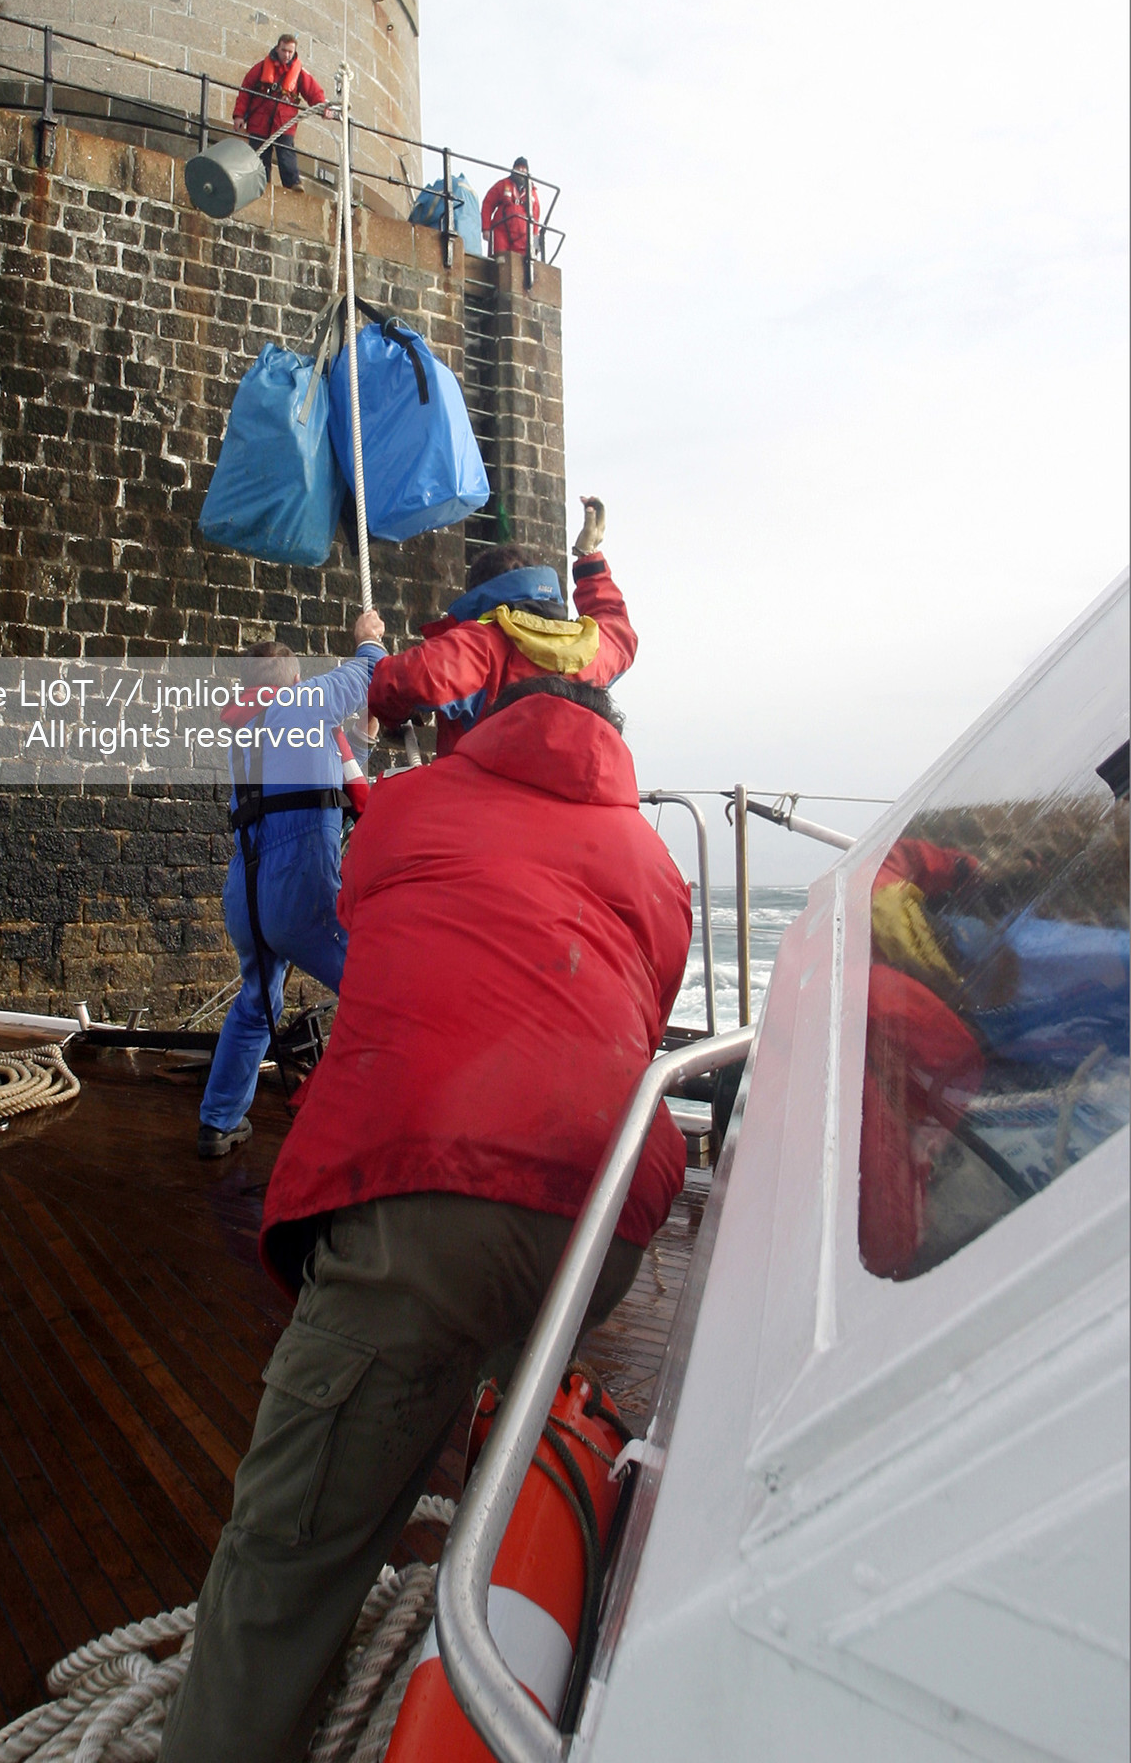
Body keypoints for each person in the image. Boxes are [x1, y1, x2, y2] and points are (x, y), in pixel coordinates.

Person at [159, 671, 693, 1763]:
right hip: (606, 1222)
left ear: (486, 729)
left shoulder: (412, 803)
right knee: (492, 1385)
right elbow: (647, 992)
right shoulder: (656, 862)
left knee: (290, 1549)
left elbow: (351, 909)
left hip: (425, 1184)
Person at [197, 611, 386, 1160]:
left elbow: (316, 774)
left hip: (246, 891)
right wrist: (367, 640)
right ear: (295, 683)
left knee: (256, 1003)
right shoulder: (300, 705)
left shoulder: (246, 733)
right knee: (374, 992)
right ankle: (364, 1126)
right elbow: (368, 673)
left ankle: (218, 1122)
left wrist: (360, 740)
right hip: (298, 888)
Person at [367, 496, 635, 756]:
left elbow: (400, 680)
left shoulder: (480, 644)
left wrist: (370, 647)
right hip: (571, 798)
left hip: (486, 797)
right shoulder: (587, 648)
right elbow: (618, 631)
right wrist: (588, 554)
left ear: (478, 594)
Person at [233, 33, 328, 192]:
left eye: (290, 51)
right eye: (284, 50)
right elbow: (246, 90)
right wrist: (239, 115)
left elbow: (313, 92)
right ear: (278, 48)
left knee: (286, 155)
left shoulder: (299, 73)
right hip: (260, 121)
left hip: (284, 121)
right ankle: (262, 185)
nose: (287, 55)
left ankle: (293, 185)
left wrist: (323, 108)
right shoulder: (262, 67)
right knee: (260, 157)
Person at [481, 154, 541, 257]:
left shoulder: (533, 193)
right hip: (501, 232)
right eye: (518, 167)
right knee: (500, 261)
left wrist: (535, 245)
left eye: (524, 168)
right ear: (513, 169)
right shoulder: (503, 185)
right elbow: (488, 203)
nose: (521, 170)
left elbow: (535, 220)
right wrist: (486, 228)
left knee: (521, 267)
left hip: (523, 237)